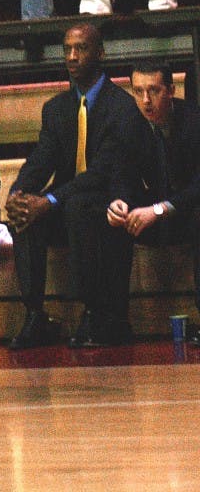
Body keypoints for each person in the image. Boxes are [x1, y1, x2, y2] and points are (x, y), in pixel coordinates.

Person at [6, 23, 152, 349]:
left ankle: (96, 312)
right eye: (67, 49)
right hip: (68, 200)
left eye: (81, 48)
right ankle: (34, 315)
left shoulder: (121, 107)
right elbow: (41, 159)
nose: (72, 56)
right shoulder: (56, 109)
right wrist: (19, 193)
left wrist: (49, 201)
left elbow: (102, 173)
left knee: (77, 208)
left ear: (100, 53)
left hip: (109, 201)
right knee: (24, 216)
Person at [107, 61, 200, 345]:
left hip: (186, 209)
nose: (145, 100)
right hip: (152, 211)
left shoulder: (193, 120)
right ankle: (112, 319)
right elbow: (120, 174)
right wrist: (118, 202)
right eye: (138, 92)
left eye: (154, 91)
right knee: (106, 216)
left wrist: (160, 210)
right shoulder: (127, 123)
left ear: (171, 90)